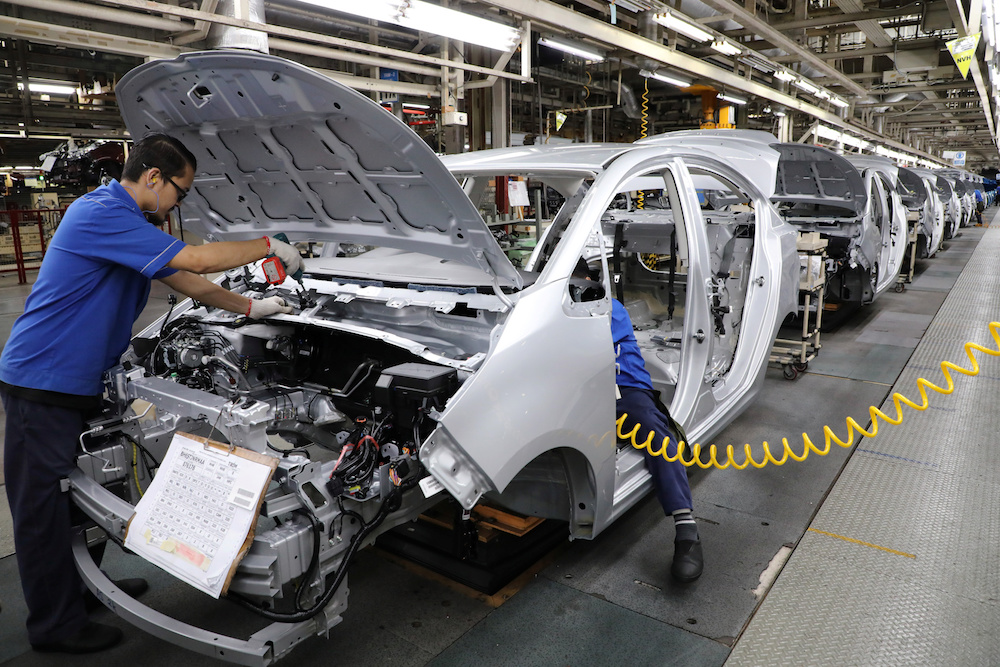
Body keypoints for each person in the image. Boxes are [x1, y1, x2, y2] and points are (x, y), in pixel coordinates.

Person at [0, 133, 303, 654]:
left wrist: (253, 310)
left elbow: (192, 283)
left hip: (75, 380)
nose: (179, 204)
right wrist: (267, 247)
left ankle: (78, 593)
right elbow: (200, 260)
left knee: (78, 494)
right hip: (41, 380)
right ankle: (55, 625)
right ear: (154, 178)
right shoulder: (99, 213)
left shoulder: (129, 226)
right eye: (181, 193)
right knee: (42, 508)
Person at [612, 298, 705, 583]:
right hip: (573, 388)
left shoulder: (609, 307)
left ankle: (685, 525)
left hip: (623, 387)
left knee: (655, 432)